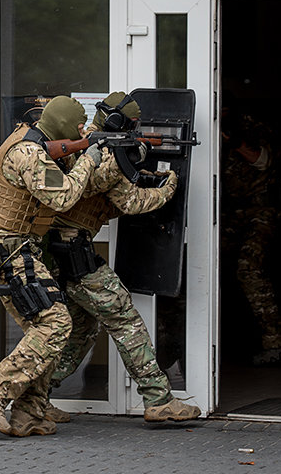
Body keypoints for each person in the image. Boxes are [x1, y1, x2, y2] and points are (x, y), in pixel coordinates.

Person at [43, 92, 201, 423]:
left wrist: (134, 151)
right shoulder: (103, 153)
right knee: (125, 319)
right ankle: (158, 398)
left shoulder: (79, 143)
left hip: (57, 250)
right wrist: (168, 187)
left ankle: (33, 397)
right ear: (119, 122)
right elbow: (131, 202)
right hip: (74, 252)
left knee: (81, 331)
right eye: (132, 124)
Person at [0, 96, 102, 437]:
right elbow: (63, 197)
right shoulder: (28, 153)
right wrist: (89, 159)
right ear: (62, 126)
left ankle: (29, 412)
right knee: (55, 324)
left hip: (18, 251)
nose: (81, 133)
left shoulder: (36, 141)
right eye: (78, 127)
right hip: (7, 253)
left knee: (47, 331)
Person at [221, 100, 281, 365]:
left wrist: (234, 141)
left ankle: (277, 344)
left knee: (248, 268)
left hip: (261, 211)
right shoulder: (208, 128)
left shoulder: (252, 127)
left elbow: (262, 159)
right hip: (227, 214)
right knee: (198, 264)